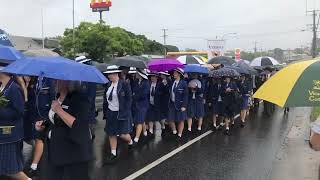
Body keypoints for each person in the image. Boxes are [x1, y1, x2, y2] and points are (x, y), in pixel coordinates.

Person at [35, 80, 92, 180]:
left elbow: (79, 126)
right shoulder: (57, 97)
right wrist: (43, 126)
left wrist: (59, 110)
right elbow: (55, 122)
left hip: (73, 154)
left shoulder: (80, 98)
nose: (54, 82)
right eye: (54, 80)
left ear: (69, 82)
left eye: (58, 80)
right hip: (54, 151)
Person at [0, 70, 31, 180]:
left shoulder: (14, 88)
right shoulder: (2, 86)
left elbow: (19, 111)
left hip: (10, 136)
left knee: (12, 170)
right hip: (2, 136)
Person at [24, 76, 55, 178]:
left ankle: (34, 166)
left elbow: (53, 97)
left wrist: (49, 115)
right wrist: (27, 84)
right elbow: (28, 98)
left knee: (39, 138)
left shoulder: (49, 80)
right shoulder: (33, 80)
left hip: (44, 115)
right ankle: (43, 160)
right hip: (33, 115)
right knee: (36, 138)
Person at [103, 65, 133, 164]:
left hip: (121, 113)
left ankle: (130, 141)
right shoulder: (108, 85)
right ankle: (113, 153)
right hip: (111, 113)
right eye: (108, 75)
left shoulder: (124, 84)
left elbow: (129, 99)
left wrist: (126, 112)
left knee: (123, 134)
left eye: (109, 75)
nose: (108, 77)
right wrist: (105, 112)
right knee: (111, 133)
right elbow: (105, 99)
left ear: (115, 74)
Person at [168, 68, 188, 140]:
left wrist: (184, 106)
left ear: (179, 74)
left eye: (175, 73)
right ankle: (174, 131)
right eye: (173, 73)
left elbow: (186, 95)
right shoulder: (172, 82)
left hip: (180, 105)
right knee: (170, 119)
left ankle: (179, 135)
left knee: (181, 120)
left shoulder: (183, 83)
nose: (174, 74)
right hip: (172, 104)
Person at [132, 69, 150, 144]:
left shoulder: (146, 83)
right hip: (136, 104)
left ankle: (136, 138)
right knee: (141, 119)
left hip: (143, 105)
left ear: (140, 74)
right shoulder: (136, 82)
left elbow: (144, 94)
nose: (136, 74)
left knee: (139, 121)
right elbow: (133, 90)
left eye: (137, 73)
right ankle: (145, 131)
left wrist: (135, 96)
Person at [145, 72, 161, 138]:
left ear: (157, 77)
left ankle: (163, 127)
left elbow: (163, 92)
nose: (152, 78)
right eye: (151, 76)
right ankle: (151, 131)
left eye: (154, 76)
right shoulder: (149, 84)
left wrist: (158, 93)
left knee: (159, 119)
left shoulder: (160, 84)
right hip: (150, 103)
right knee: (150, 117)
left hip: (157, 104)